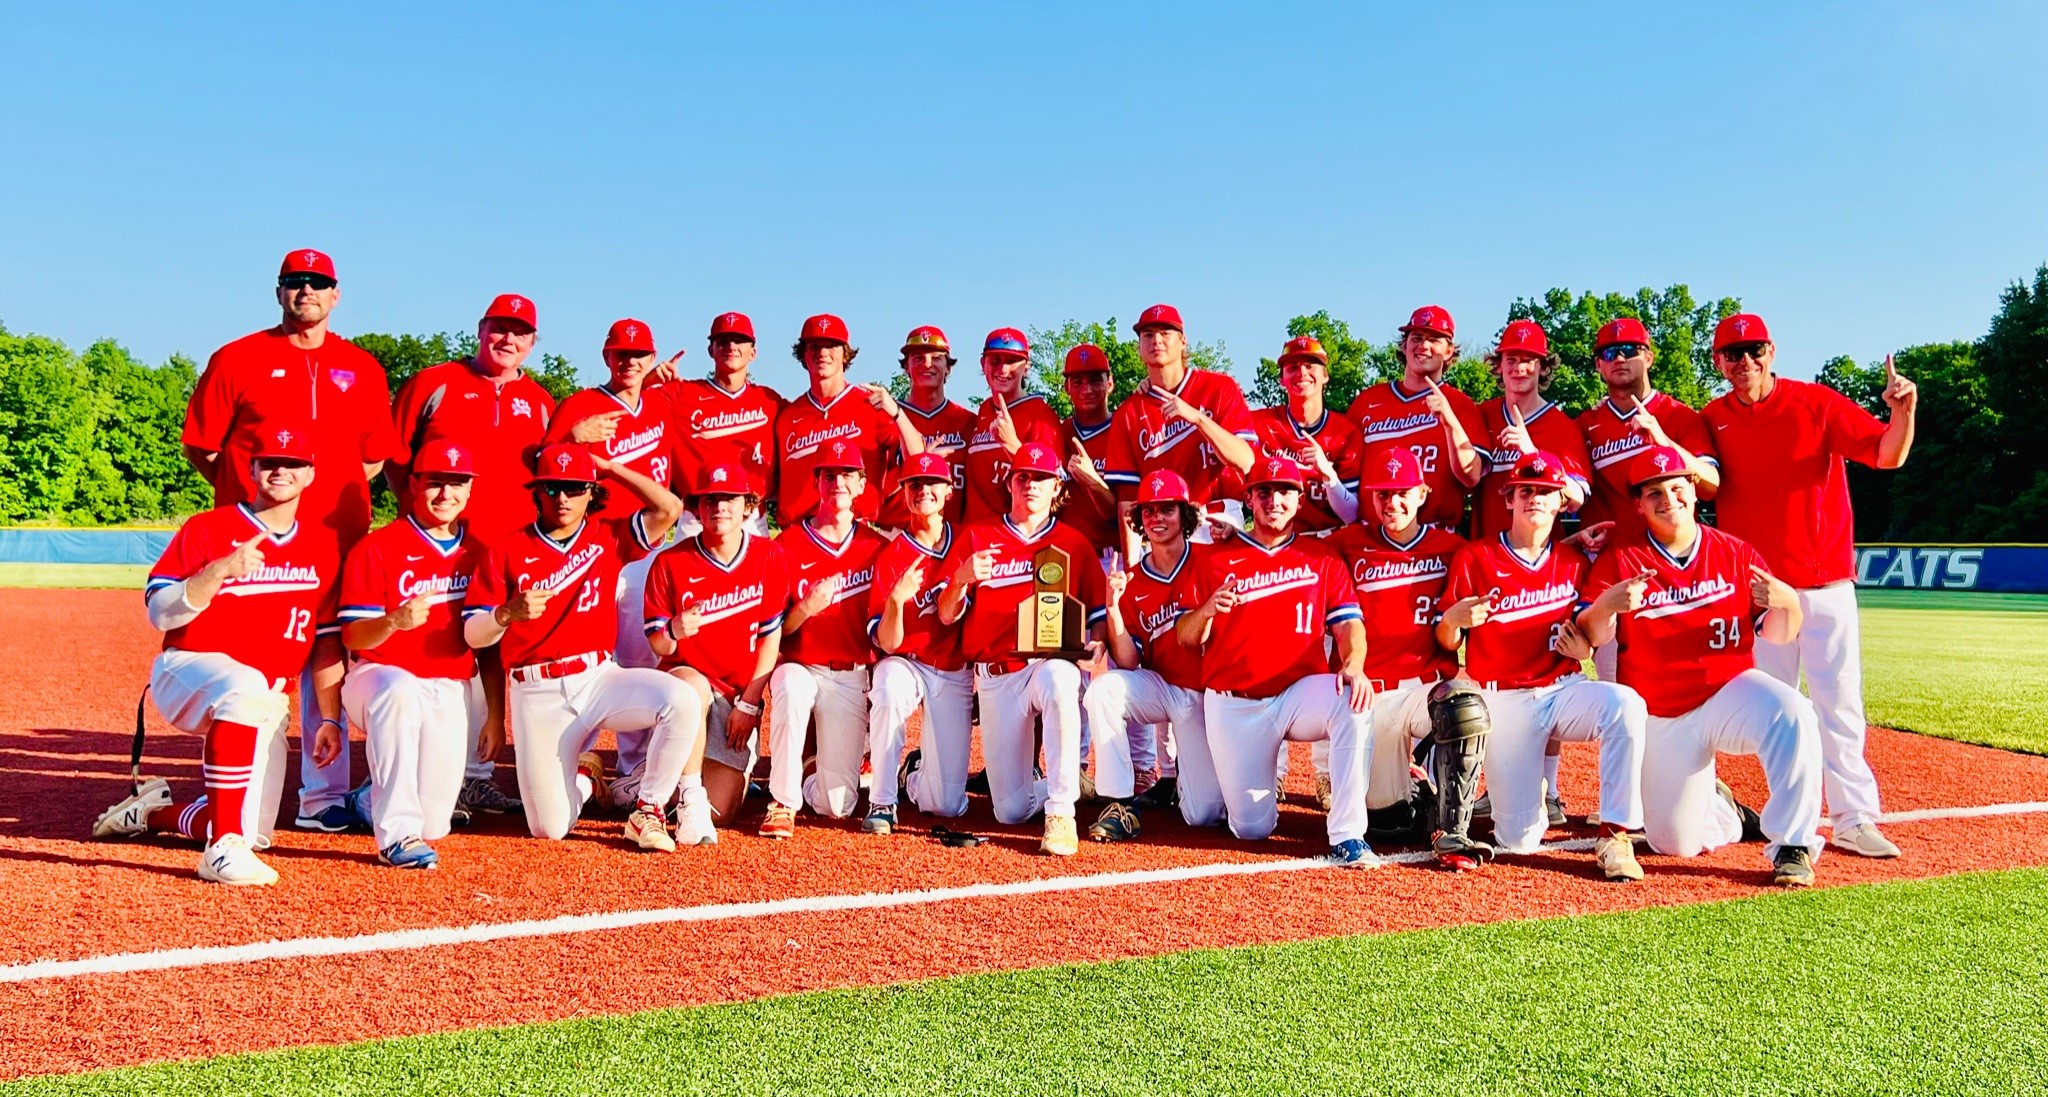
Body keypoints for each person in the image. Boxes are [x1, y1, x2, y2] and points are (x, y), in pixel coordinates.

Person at [179, 248, 398, 835]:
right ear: (279, 291)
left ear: (336, 293)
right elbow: (201, 445)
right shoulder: (237, 357)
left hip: (338, 538)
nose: (306, 291)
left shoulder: (363, 366)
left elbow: (375, 456)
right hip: (260, 541)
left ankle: (321, 797)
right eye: (294, 282)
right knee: (257, 656)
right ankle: (248, 783)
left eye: (317, 282)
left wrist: (330, 494)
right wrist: (249, 500)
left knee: (333, 655)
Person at [1701, 312, 1918, 859]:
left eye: (1753, 350)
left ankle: (1852, 817)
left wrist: (1903, 412)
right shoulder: (1712, 417)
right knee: (1774, 713)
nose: (1744, 361)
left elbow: (1888, 454)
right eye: (1732, 353)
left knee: (1838, 705)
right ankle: (1786, 824)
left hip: (1824, 584)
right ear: (1717, 361)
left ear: (1772, 351)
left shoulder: (1816, 402)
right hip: (1755, 588)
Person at [93, 422, 343, 885]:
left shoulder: (323, 546)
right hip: (187, 669)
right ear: (251, 469)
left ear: (310, 474)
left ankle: (153, 815)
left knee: (253, 832)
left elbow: (325, 639)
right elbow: (161, 614)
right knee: (245, 689)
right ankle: (220, 847)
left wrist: (328, 718)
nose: (280, 470)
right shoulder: (208, 528)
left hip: (266, 699)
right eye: (269, 461)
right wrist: (217, 572)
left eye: (293, 463)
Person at [1576, 446, 1825, 888]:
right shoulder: (1622, 558)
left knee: (1794, 711)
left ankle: (1793, 844)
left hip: (1728, 692)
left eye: (1676, 486)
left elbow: (1780, 633)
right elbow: (1591, 636)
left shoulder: (1734, 552)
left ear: (1694, 491)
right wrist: (1607, 605)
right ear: (1637, 503)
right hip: (1662, 713)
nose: (1667, 498)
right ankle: (1725, 809)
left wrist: (1791, 604)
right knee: (1674, 843)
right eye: (1653, 492)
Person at [391, 294, 591, 823]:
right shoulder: (434, 383)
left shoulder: (543, 401)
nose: (508, 339)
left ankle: (474, 779)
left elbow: (554, 469)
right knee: (435, 651)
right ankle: (411, 769)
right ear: (480, 330)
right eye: (499, 328)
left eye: (520, 332)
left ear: (532, 342)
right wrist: (417, 519)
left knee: (494, 656)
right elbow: (396, 459)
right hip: (446, 545)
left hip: (510, 551)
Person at [461, 444, 708, 851]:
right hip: (536, 692)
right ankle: (585, 780)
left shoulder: (607, 535)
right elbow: (474, 636)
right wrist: (505, 614)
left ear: (591, 492)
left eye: (574, 488)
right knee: (549, 829)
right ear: (537, 490)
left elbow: (669, 508)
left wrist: (610, 467)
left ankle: (648, 808)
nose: (562, 498)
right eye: (553, 487)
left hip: (597, 678)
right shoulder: (506, 549)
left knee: (681, 699)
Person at [1436, 451, 1647, 882]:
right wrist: (1454, 621)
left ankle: (1615, 832)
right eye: (1525, 490)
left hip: (1561, 688)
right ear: (1509, 499)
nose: (1535, 498)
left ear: (1560, 503)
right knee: (1519, 840)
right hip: (1504, 697)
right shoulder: (1475, 557)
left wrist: (1584, 644)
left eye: (1546, 492)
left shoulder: (1573, 562)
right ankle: (1520, 790)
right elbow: (1446, 640)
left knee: (1624, 703)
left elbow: (1593, 632)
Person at [1171, 455, 1379, 868]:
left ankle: (1348, 834)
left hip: (1298, 692)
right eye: (1263, 491)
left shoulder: (1322, 557)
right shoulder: (1214, 558)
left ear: (1299, 500)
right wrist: (1208, 609)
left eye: (1285, 491)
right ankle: (1227, 791)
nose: (1274, 500)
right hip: (1237, 701)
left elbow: (1349, 624)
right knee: (1251, 829)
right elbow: (1183, 636)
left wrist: (1353, 664)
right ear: (1248, 499)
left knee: (1353, 699)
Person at [937, 441, 1107, 856]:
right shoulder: (978, 535)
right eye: (1022, 477)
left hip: (1046, 665)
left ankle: (1061, 812)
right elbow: (945, 615)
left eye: (1041, 478)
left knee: (1063, 679)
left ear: (1057, 488)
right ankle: (1065, 783)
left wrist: (1096, 643)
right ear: (1010, 484)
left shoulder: (1074, 542)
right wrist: (960, 579)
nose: (1031, 485)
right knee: (1009, 811)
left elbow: (1097, 617)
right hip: (996, 676)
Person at [335, 442, 487, 869]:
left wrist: (494, 712)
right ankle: (396, 835)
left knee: (436, 823)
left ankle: (368, 800)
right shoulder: (378, 548)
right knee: (399, 688)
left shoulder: (476, 552)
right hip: (378, 678)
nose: (445, 494)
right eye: (435, 482)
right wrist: (392, 622)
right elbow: (351, 634)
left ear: (470, 490)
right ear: (413, 486)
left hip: (449, 683)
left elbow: (486, 642)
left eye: (457, 484)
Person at [1327, 447, 1476, 861]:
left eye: (1402, 492)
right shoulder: (1347, 543)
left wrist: (1570, 541)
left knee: (1464, 706)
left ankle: (1453, 827)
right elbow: (1290, 556)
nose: (1392, 503)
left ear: (1423, 493)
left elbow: (1506, 555)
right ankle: (1415, 782)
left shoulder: (1451, 547)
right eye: (1382, 494)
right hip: (1370, 694)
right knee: (1388, 823)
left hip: (1425, 687)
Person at [643, 461, 790, 834]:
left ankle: (642, 787)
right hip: (687, 687)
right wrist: (674, 629)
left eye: (729, 498)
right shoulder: (670, 561)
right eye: (710, 500)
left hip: (735, 698)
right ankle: (687, 795)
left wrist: (749, 702)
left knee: (721, 812)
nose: (719, 507)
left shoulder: (768, 556)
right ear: (697, 508)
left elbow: (771, 636)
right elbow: (658, 643)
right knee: (690, 687)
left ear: (749, 506)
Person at [1575, 315, 1719, 682]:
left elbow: (1710, 485)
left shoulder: (1678, 416)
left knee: (1684, 683)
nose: (1619, 358)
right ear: (1598, 365)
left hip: (1674, 571)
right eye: (1609, 353)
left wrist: (1663, 440)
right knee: (1617, 689)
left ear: (1649, 358)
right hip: (1610, 569)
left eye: (1630, 350)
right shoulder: (1585, 425)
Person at [761, 443, 889, 838]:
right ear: (817, 482)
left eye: (847, 474)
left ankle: (813, 768)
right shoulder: (787, 544)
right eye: (829, 475)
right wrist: (806, 607)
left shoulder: (875, 546)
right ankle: (781, 801)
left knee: (837, 807)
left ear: (861, 484)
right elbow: (774, 632)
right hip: (801, 666)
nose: (838, 482)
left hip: (850, 674)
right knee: (789, 685)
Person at [1081, 470, 1209, 842]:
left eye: (1166, 509)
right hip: (1160, 686)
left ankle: (1189, 775)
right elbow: (1129, 661)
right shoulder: (1133, 580)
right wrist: (1113, 608)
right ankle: (1121, 802)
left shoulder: (1211, 560)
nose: (1156, 519)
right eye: (1149, 512)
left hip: (1203, 695)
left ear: (1184, 516)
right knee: (1102, 691)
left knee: (1202, 814)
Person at [866, 452, 972, 831]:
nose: (923, 490)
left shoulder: (967, 540)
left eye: (932, 483)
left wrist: (958, 581)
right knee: (889, 683)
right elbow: (888, 644)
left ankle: (912, 772)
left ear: (948, 491)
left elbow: (949, 615)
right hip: (908, 661)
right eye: (914, 484)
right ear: (905, 494)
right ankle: (881, 801)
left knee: (945, 805)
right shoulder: (891, 555)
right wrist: (895, 600)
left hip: (952, 669)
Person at [1101, 305, 1258, 557]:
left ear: (1183, 341)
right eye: (1148, 335)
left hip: (1220, 520)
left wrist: (1198, 418)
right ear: (1139, 347)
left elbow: (1246, 460)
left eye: (1166, 332)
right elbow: (1128, 501)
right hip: (1163, 529)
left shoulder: (1219, 388)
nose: (1156, 340)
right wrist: (1132, 571)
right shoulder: (1128, 413)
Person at [1342, 306, 1485, 531]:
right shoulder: (1367, 401)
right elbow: (1344, 471)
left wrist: (1450, 422)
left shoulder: (1461, 406)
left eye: (1434, 339)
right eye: (1416, 337)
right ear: (1404, 345)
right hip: (1372, 537)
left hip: (1436, 539)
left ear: (1448, 351)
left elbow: (1472, 477)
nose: (1423, 346)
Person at [772, 314, 926, 524]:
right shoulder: (788, 416)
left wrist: (897, 412)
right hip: (798, 534)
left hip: (857, 533)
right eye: (814, 346)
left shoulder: (870, 405)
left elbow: (918, 461)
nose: (823, 353)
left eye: (832, 345)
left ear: (845, 354)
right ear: (804, 354)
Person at [1471, 320, 1591, 540]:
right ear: (1499, 365)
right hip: (1485, 553)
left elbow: (1577, 499)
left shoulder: (1563, 426)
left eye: (1528, 360)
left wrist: (1533, 455)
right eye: (1511, 360)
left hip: (1541, 557)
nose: (1519, 368)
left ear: (1543, 367)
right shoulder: (1482, 416)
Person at [662, 311, 783, 527]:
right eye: (723, 340)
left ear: (753, 352)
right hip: (697, 518)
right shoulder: (680, 394)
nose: (731, 346)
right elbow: (627, 403)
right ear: (711, 349)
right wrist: (651, 379)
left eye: (739, 340)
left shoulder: (770, 401)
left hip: (752, 519)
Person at [1249, 336, 1365, 533]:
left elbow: (1352, 515)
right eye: (1292, 367)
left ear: (1325, 375)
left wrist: (1329, 477)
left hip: (1326, 543)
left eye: (1310, 366)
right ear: (1281, 379)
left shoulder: (1345, 434)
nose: (1302, 373)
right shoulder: (1259, 423)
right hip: (1273, 542)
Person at [962, 328, 1066, 524]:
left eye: (1011, 361)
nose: (1003, 369)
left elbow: (1057, 488)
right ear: (982, 364)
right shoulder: (984, 410)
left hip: (1013, 537)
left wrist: (1012, 446)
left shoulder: (1041, 416)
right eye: (995, 361)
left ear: (1026, 367)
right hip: (973, 536)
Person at [877, 326, 975, 529]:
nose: (927, 364)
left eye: (937, 358)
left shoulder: (968, 421)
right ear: (906, 367)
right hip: (895, 534)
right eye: (918, 358)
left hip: (951, 538)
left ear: (948, 367)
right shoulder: (884, 417)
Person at [1059, 343, 1124, 556]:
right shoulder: (1059, 432)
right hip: (1067, 556)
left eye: (1095, 380)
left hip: (1114, 556)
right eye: (1077, 382)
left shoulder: (1126, 430)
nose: (1087, 389)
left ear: (1110, 383)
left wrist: (1094, 481)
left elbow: (1128, 513)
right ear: (1066, 387)